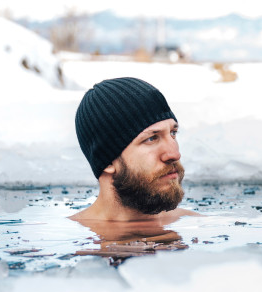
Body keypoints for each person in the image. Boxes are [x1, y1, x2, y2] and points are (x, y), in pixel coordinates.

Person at [70, 77, 198, 233]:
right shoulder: (66, 238)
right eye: (151, 138)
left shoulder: (196, 224)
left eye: (173, 133)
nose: (174, 154)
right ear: (109, 161)